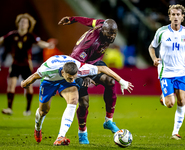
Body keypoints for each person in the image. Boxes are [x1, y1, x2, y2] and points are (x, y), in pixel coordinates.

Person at [21, 55, 133, 145]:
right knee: (43, 111)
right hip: (49, 82)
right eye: (70, 77)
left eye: (74, 77)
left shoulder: (80, 69)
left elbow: (103, 68)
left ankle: (60, 136)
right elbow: (34, 76)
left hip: (64, 82)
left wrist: (122, 81)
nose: (73, 79)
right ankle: (38, 127)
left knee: (74, 100)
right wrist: (24, 83)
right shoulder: (48, 69)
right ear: (63, 72)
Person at [58, 16, 121, 144]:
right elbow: (75, 63)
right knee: (84, 102)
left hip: (94, 62)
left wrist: (72, 19)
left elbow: (88, 21)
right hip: (78, 66)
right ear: (103, 31)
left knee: (110, 81)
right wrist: (85, 76)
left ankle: (109, 121)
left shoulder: (102, 24)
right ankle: (82, 132)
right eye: (109, 33)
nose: (111, 37)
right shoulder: (90, 42)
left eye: (114, 33)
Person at [148, 4, 185, 140]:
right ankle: (163, 97)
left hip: (182, 72)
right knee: (170, 104)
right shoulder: (161, 32)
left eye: (178, 15)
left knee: (181, 101)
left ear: (182, 17)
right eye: (173, 14)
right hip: (166, 72)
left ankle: (175, 132)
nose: (176, 17)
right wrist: (154, 58)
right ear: (169, 16)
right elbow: (151, 47)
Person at [0, 13, 54, 116]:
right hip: (15, 64)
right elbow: (2, 40)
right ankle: (9, 108)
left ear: (28, 25)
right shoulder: (12, 34)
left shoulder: (30, 36)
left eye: (25, 22)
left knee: (28, 88)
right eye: (21, 22)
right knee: (11, 85)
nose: (23, 24)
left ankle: (28, 109)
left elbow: (40, 43)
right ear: (18, 23)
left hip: (26, 65)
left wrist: (48, 45)